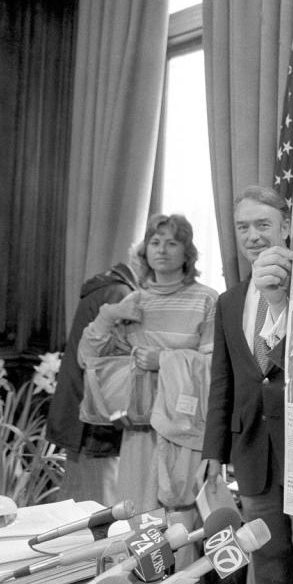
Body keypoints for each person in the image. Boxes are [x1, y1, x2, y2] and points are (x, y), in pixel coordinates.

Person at [201, 186, 293, 584]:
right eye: (242, 226)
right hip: (251, 451)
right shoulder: (229, 301)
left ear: (286, 227)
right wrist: (213, 452)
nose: (252, 235)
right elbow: (223, 380)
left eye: (263, 225)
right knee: (266, 561)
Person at [79, 214, 216, 564]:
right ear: (145, 250)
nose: (162, 250)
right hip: (139, 427)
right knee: (141, 517)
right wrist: (109, 315)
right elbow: (88, 359)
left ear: (188, 252)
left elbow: (215, 366)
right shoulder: (133, 302)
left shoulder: (206, 300)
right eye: (155, 242)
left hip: (184, 429)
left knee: (181, 518)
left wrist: (164, 360)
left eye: (172, 242)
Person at [46, 260, 138, 505]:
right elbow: (116, 369)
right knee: (102, 508)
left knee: (78, 504)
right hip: (98, 421)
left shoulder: (108, 288)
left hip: (82, 416)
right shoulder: (122, 294)